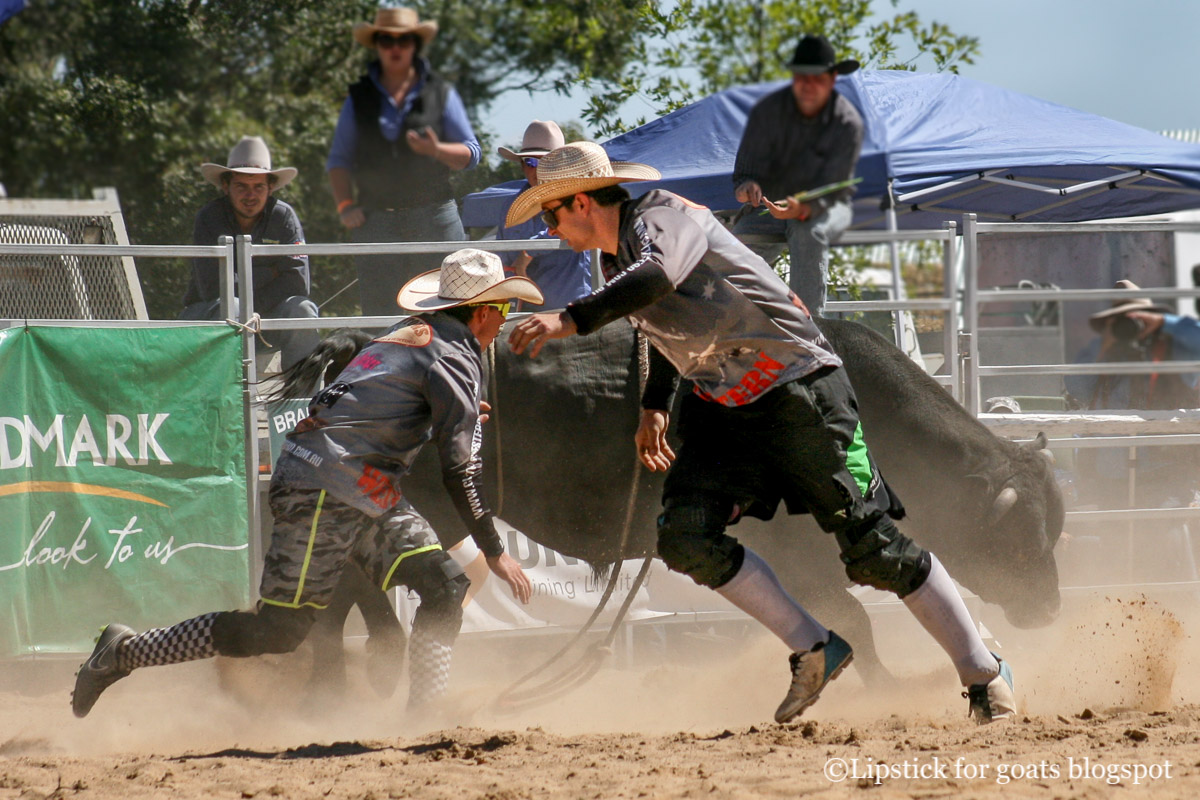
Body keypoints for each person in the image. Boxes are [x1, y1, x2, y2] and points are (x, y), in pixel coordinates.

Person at [505, 141, 1015, 724]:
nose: (549, 228)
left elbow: (658, 279)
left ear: (578, 202)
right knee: (684, 536)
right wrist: (654, 405)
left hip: (801, 389)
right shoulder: (618, 260)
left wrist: (568, 319)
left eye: (549, 214)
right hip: (726, 404)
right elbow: (670, 321)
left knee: (874, 549)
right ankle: (817, 647)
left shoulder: (663, 218)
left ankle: (985, 673)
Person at [72, 248, 541, 720]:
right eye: (503, 310)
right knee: (278, 630)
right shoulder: (453, 354)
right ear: (483, 312)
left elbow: (378, 403)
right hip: (327, 488)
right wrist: (495, 551)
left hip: (348, 484)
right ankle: (124, 651)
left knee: (443, 585)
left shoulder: (406, 338)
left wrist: (452, 412)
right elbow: (459, 468)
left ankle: (424, 714)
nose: (504, 322)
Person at [327, 7, 480, 316]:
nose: (395, 48)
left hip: (435, 219)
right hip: (376, 224)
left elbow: (472, 154)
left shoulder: (442, 93)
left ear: (414, 45)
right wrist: (345, 206)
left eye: (404, 40)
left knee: (448, 312)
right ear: (377, 45)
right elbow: (339, 160)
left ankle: (451, 364)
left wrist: (437, 150)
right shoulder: (358, 98)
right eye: (386, 40)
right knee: (381, 317)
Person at [730, 33, 863, 317]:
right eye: (803, 77)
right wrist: (748, 187)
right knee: (736, 243)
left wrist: (800, 209)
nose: (809, 86)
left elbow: (836, 189)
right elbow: (743, 176)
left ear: (832, 79)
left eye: (817, 78)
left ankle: (810, 324)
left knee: (808, 230)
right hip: (770, 207)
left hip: (825, 206)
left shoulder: (847, 122)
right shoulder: (766, 114)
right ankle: (743, 319)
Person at [183, 135, 320, 370]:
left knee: (303, 309)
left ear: (270, 188)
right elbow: (212, 287)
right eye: (241, 186)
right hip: (210, 320)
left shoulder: (284, 216)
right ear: (225, 186)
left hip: (266, 323)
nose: (251, 195)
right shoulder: (208, 217)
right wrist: (272, 272)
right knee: (232, 307)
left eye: (259, 187)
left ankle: (302, 402)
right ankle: (223, 401)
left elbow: (298, 283)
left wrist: (247, 296)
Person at [1064, 279, 1200, 509]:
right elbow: (1077, 387)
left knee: (1162, 536)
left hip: (1161, 472)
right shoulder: (1105, 354)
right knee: (1113, 531)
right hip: (1110, 470)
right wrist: (1105, 345)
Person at [496, 120, 593, 310]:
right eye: (529, 162)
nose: (536, 168)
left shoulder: (576, 199)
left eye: (544, 161)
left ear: (559, 165)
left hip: (573, 313)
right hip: (522, 313)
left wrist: (527, 252)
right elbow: (502, 259)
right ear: (522, 166)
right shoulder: (509, 207)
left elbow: (565, 228)